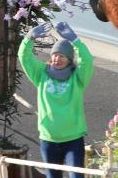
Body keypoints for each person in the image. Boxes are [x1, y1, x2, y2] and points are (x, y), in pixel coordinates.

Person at [19, 21, 94, 178]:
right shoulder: (41, 74)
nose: (56, 59)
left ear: (69, 60)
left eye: (61, 56)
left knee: (76, 176)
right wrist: (29, 37)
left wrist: (75, 41)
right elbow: (24, 57)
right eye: (54, 55)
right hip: (48, 139)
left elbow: (87, 60)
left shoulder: (77, 78)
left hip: (73, 139)